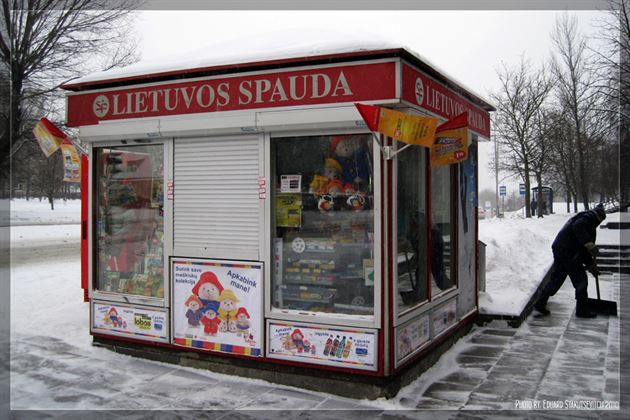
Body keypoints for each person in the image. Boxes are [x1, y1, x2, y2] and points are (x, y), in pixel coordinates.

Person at [534, 203, 607, 318]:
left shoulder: (584, 219)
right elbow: (579, 229)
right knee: (581, 280)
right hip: (569, 251)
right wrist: (589, 244)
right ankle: (582, 310)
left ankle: (540, 303)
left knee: (557, 278)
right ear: (600, 217)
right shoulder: (589, 218)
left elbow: (583, 249)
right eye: (601, 220)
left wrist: (591, 265)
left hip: (560, 248)